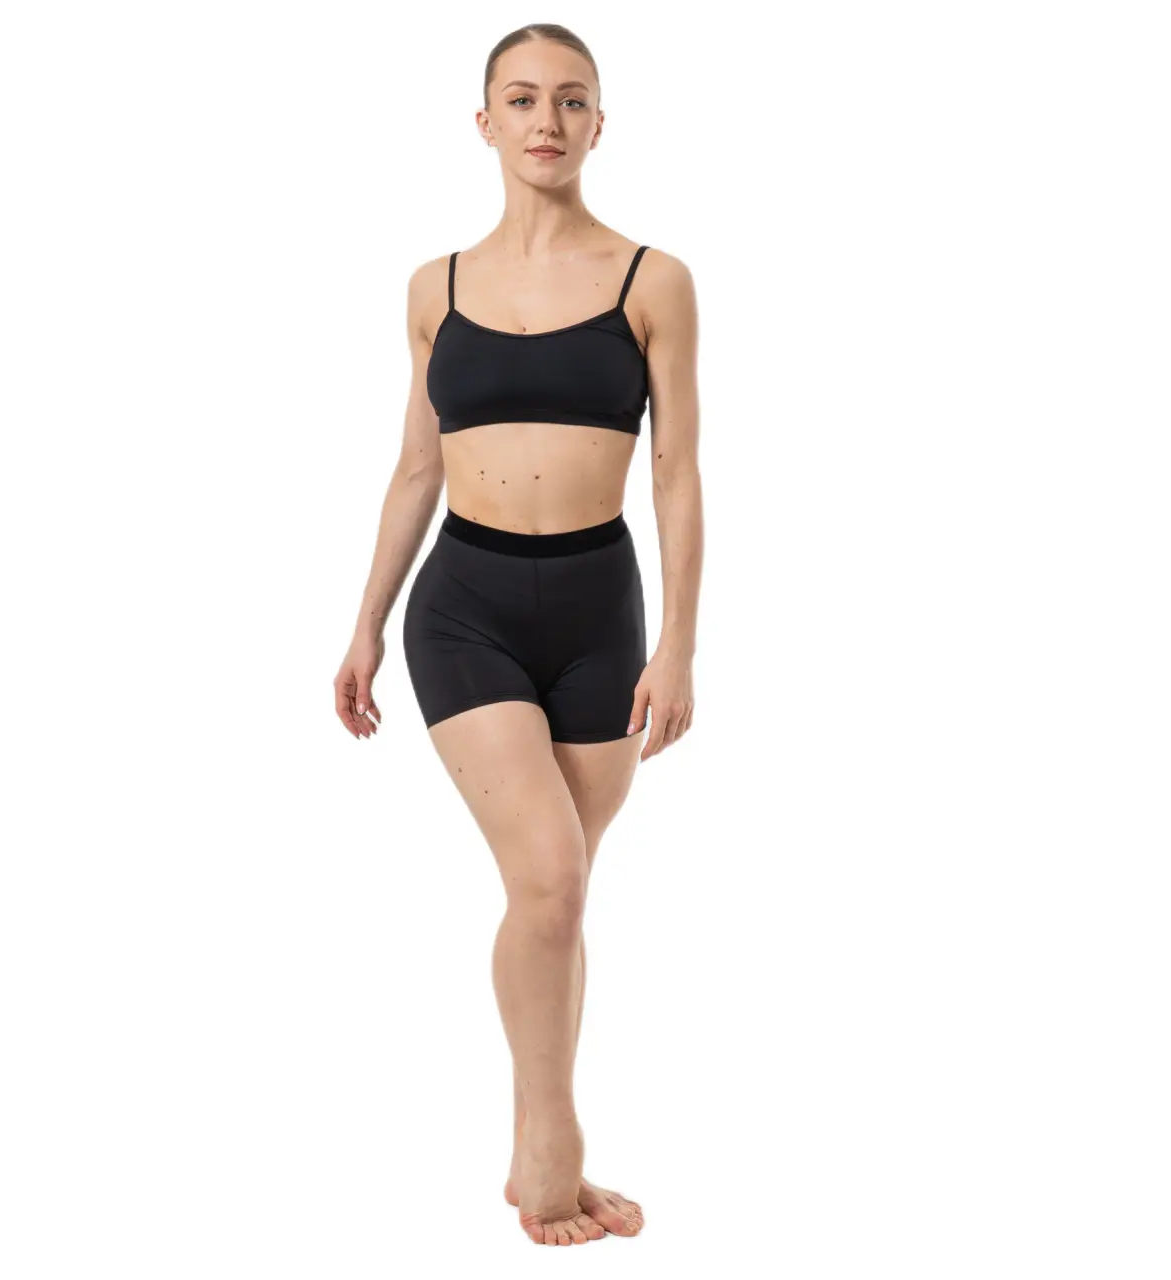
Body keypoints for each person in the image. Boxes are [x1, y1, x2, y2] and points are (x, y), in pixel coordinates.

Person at [332, 23, 703, 1247]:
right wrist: (364, 625)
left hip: (601, 614)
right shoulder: (432, 287)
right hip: (465, 607)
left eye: (571, 100)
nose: (547, 120)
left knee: (557, 897)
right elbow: (412, 468)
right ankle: (552, 1149)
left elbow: (677, 473)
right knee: (548, 877)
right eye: (523, 99)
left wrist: (677, 645)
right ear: (483, 122)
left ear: (600, 123)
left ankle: (530, 1129)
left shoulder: (651, 280)